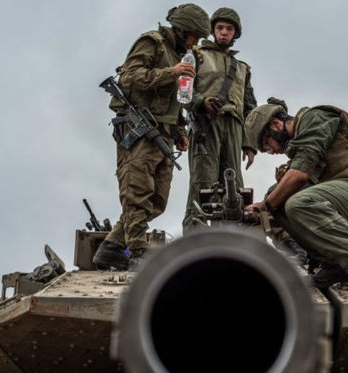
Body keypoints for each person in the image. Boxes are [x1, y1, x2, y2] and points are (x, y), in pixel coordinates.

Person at [244, 99, 348, 302]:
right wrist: (267, 205)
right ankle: (335, 265)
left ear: (275, 124)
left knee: (298, 202)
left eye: (266, 145)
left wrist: (264, 206)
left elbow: (299, 175)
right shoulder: (301, 140)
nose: (271, 151)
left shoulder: (315, 119)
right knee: (278, 196)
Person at [94, 4, 211, 271]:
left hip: (164, 132)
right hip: (139, 130)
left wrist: (180, 131)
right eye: (195, 36)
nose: (196, 43)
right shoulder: (153, 43)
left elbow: (175, 100)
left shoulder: (182, 55)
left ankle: (111, 247)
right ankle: (137, 250)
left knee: (157, 199)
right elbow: (129, 78)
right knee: (137, 191)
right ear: (182, 29)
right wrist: (172, 72)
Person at [181, 7, 257, 232]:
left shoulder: (242, 68)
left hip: (234, 127)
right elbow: (183, 91)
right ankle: (194, 239)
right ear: (213, 31)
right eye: (220, 28)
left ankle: (234, 241)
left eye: (229, 29)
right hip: (206, 125)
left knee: (234, 188)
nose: (224, 32)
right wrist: (202, 102)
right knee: (202, 185)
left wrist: (249, 143)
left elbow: (250, 108)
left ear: (235, 33)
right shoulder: (196, 56)